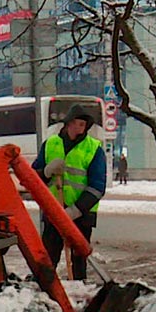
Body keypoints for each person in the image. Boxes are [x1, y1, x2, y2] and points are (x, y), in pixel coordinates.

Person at [33, 105, 107, 281]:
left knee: (78, 262)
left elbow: (97, 187)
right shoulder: (51, 144)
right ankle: (46, 292)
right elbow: (32, 179)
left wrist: (73, 211)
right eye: (77, 124)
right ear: (68, 124)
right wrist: (46, 171)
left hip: (80, 216)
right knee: (47, 260)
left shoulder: (93, 149)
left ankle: (78, 294)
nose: (80, 128)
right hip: (54, 212)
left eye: (83, 125)